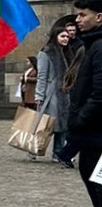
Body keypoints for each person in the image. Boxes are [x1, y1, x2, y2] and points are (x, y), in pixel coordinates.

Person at [64, 0, 102, 207]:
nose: (78, 20)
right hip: (90, 128)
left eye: (82, 15)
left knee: (95, 175)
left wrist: (80, 119)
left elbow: (100, 92)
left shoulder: (99, 46)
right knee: (89, 174)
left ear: (99, 17)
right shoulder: (91, 43)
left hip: (96, 129)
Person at [37, 17, 81, 166]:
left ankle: (58, 152)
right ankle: (35, 148)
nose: (66, 39)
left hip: (65, 93)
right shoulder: (46, 53)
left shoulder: (68, 53)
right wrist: (39, 95)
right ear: (55, 37)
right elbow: (42, 76)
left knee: (63, 126)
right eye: (62, 36)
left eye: (67, 37)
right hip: (51, 94)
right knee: (48, 125)